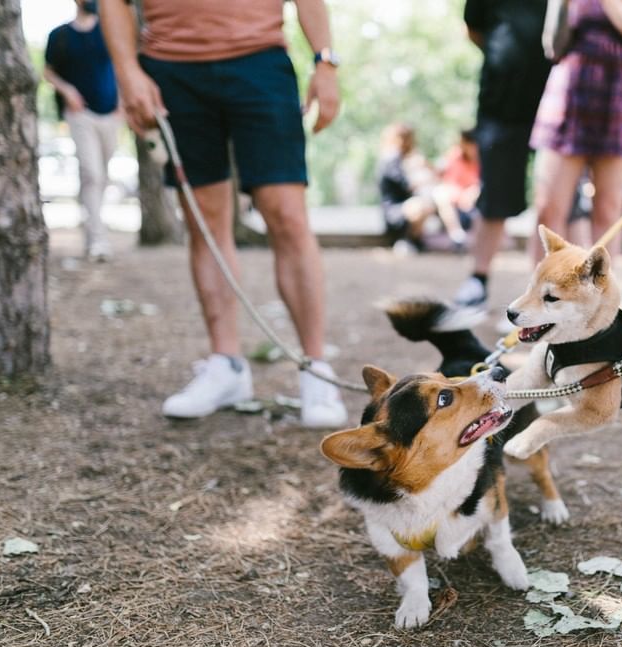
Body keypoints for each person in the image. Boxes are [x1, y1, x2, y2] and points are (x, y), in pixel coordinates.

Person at [99, 0, 348, 428]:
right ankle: (226, 365)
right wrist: (127, 71)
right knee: (204, 227)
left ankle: (316, 370)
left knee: (287, 217)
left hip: (260, 64)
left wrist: (325, 61)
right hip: (171, 69)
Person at [528, 0, 622, 263]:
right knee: (547, 208)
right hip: (570, 86)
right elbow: (552, 45)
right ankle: (540, 296)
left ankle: (600, 301)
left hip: (620, 90)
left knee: (608, 209)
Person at [452, 0, 553, 308]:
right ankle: (478, 279)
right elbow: (473, 28)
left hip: (554, 106)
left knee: (555, 201)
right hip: (500, 106)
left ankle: (547, 291)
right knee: (494, 196)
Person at [44, 0, 122, 261]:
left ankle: (92, 230)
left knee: (102, 177)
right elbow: (48, 72)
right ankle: (98, 240)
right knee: (92, 173)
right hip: (80, 115)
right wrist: (68, 91)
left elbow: (123, 65)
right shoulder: (60, 36)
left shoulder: (110, 29)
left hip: (111, 114)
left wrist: (122, 105)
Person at [378, 123, 435, 254]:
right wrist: (426, 177)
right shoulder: (391, 159)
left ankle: (415, 240)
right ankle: (406, 239)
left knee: (427, 204)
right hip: (394, 212)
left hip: (402, 207)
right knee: (421, 206)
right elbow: (406, 185)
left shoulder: (401, 158)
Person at [433, 129, 481, 249]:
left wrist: (473, 191)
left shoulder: (483, 158)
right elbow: (447, 181)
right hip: (455, 201)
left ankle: (480, 241)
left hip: (475, 202)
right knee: (440, 193)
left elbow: (485, 182)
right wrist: (461, 196)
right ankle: (457, 235)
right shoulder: (455, 156)